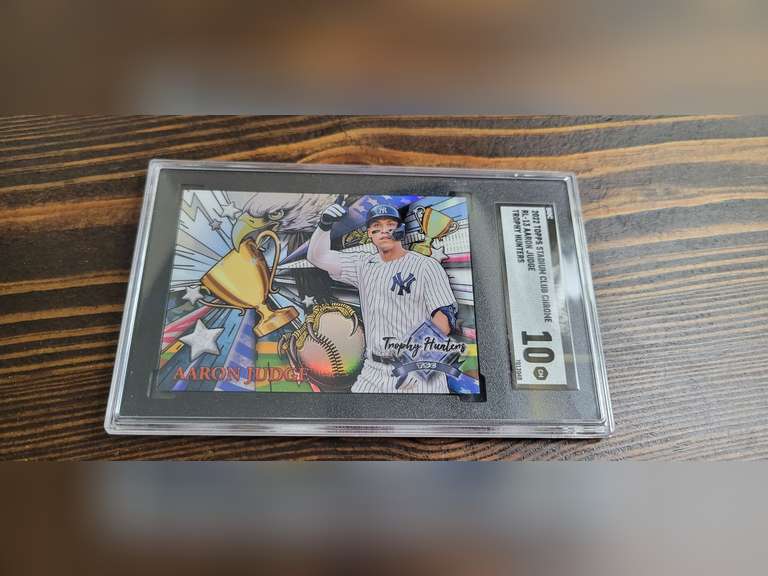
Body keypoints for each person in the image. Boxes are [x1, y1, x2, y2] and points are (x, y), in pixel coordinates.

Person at [307, 202, 458, 393]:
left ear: (401, 229)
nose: (384, 231)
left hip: (419, 373)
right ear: (370, 234)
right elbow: (317, 257)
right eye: (376, 227)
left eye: (390, 225)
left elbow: (444, 317)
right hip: (373, 370)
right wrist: (324, 225)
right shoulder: (363, 264)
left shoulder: (426, 265)